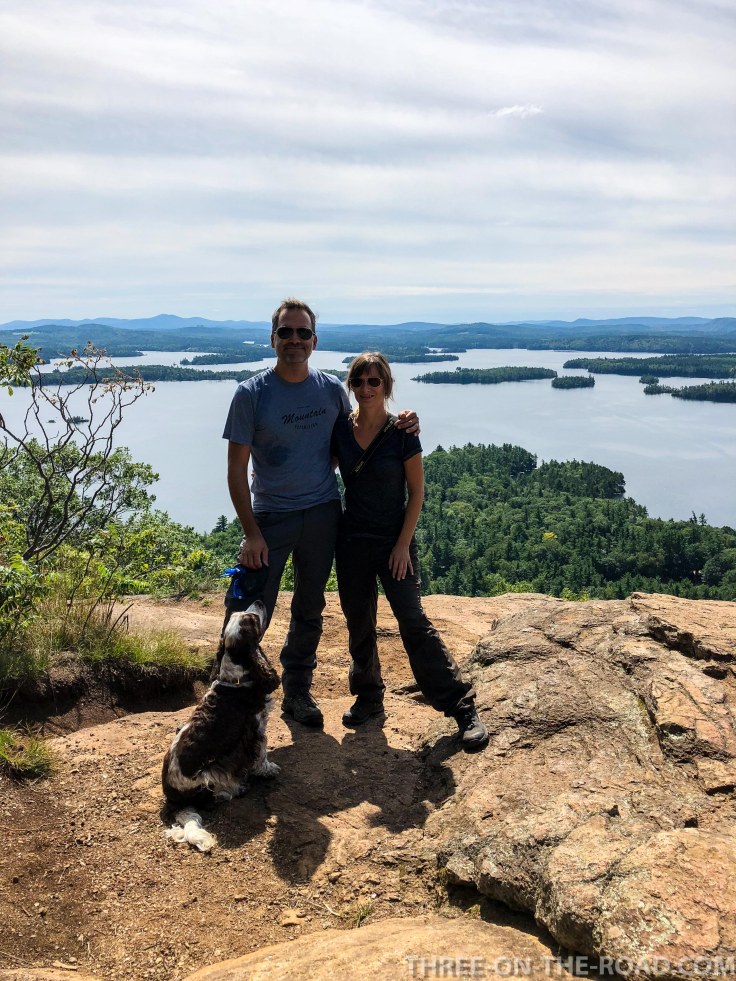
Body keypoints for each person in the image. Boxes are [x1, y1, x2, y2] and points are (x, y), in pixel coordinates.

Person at [223, 298, 417, 730]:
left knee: (310, 606)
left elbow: (361, 431)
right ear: (273, 339)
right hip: (271, 517)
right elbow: (236, 470)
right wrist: (251, 532)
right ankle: (230, 696)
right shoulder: (251, 394)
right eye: (286, 332)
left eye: (302, 332)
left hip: (323, 513)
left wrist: (405, 420)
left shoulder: (330, 390)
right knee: (248, 606)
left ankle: (297, 692)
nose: (294, 339)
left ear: (314, 340)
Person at [331, 352, 489, 751]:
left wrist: (402, 545)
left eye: (374, 381)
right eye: (358, 381)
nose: (365, 388)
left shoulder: (402, 432)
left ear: (386, 385)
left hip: (393, 541)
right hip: (352, 542)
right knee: (358, 621)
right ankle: (369, 695)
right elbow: (319, 465)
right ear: (351, 386)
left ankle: (461, 706)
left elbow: (416, 492)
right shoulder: (341, 429)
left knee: (413, 621)